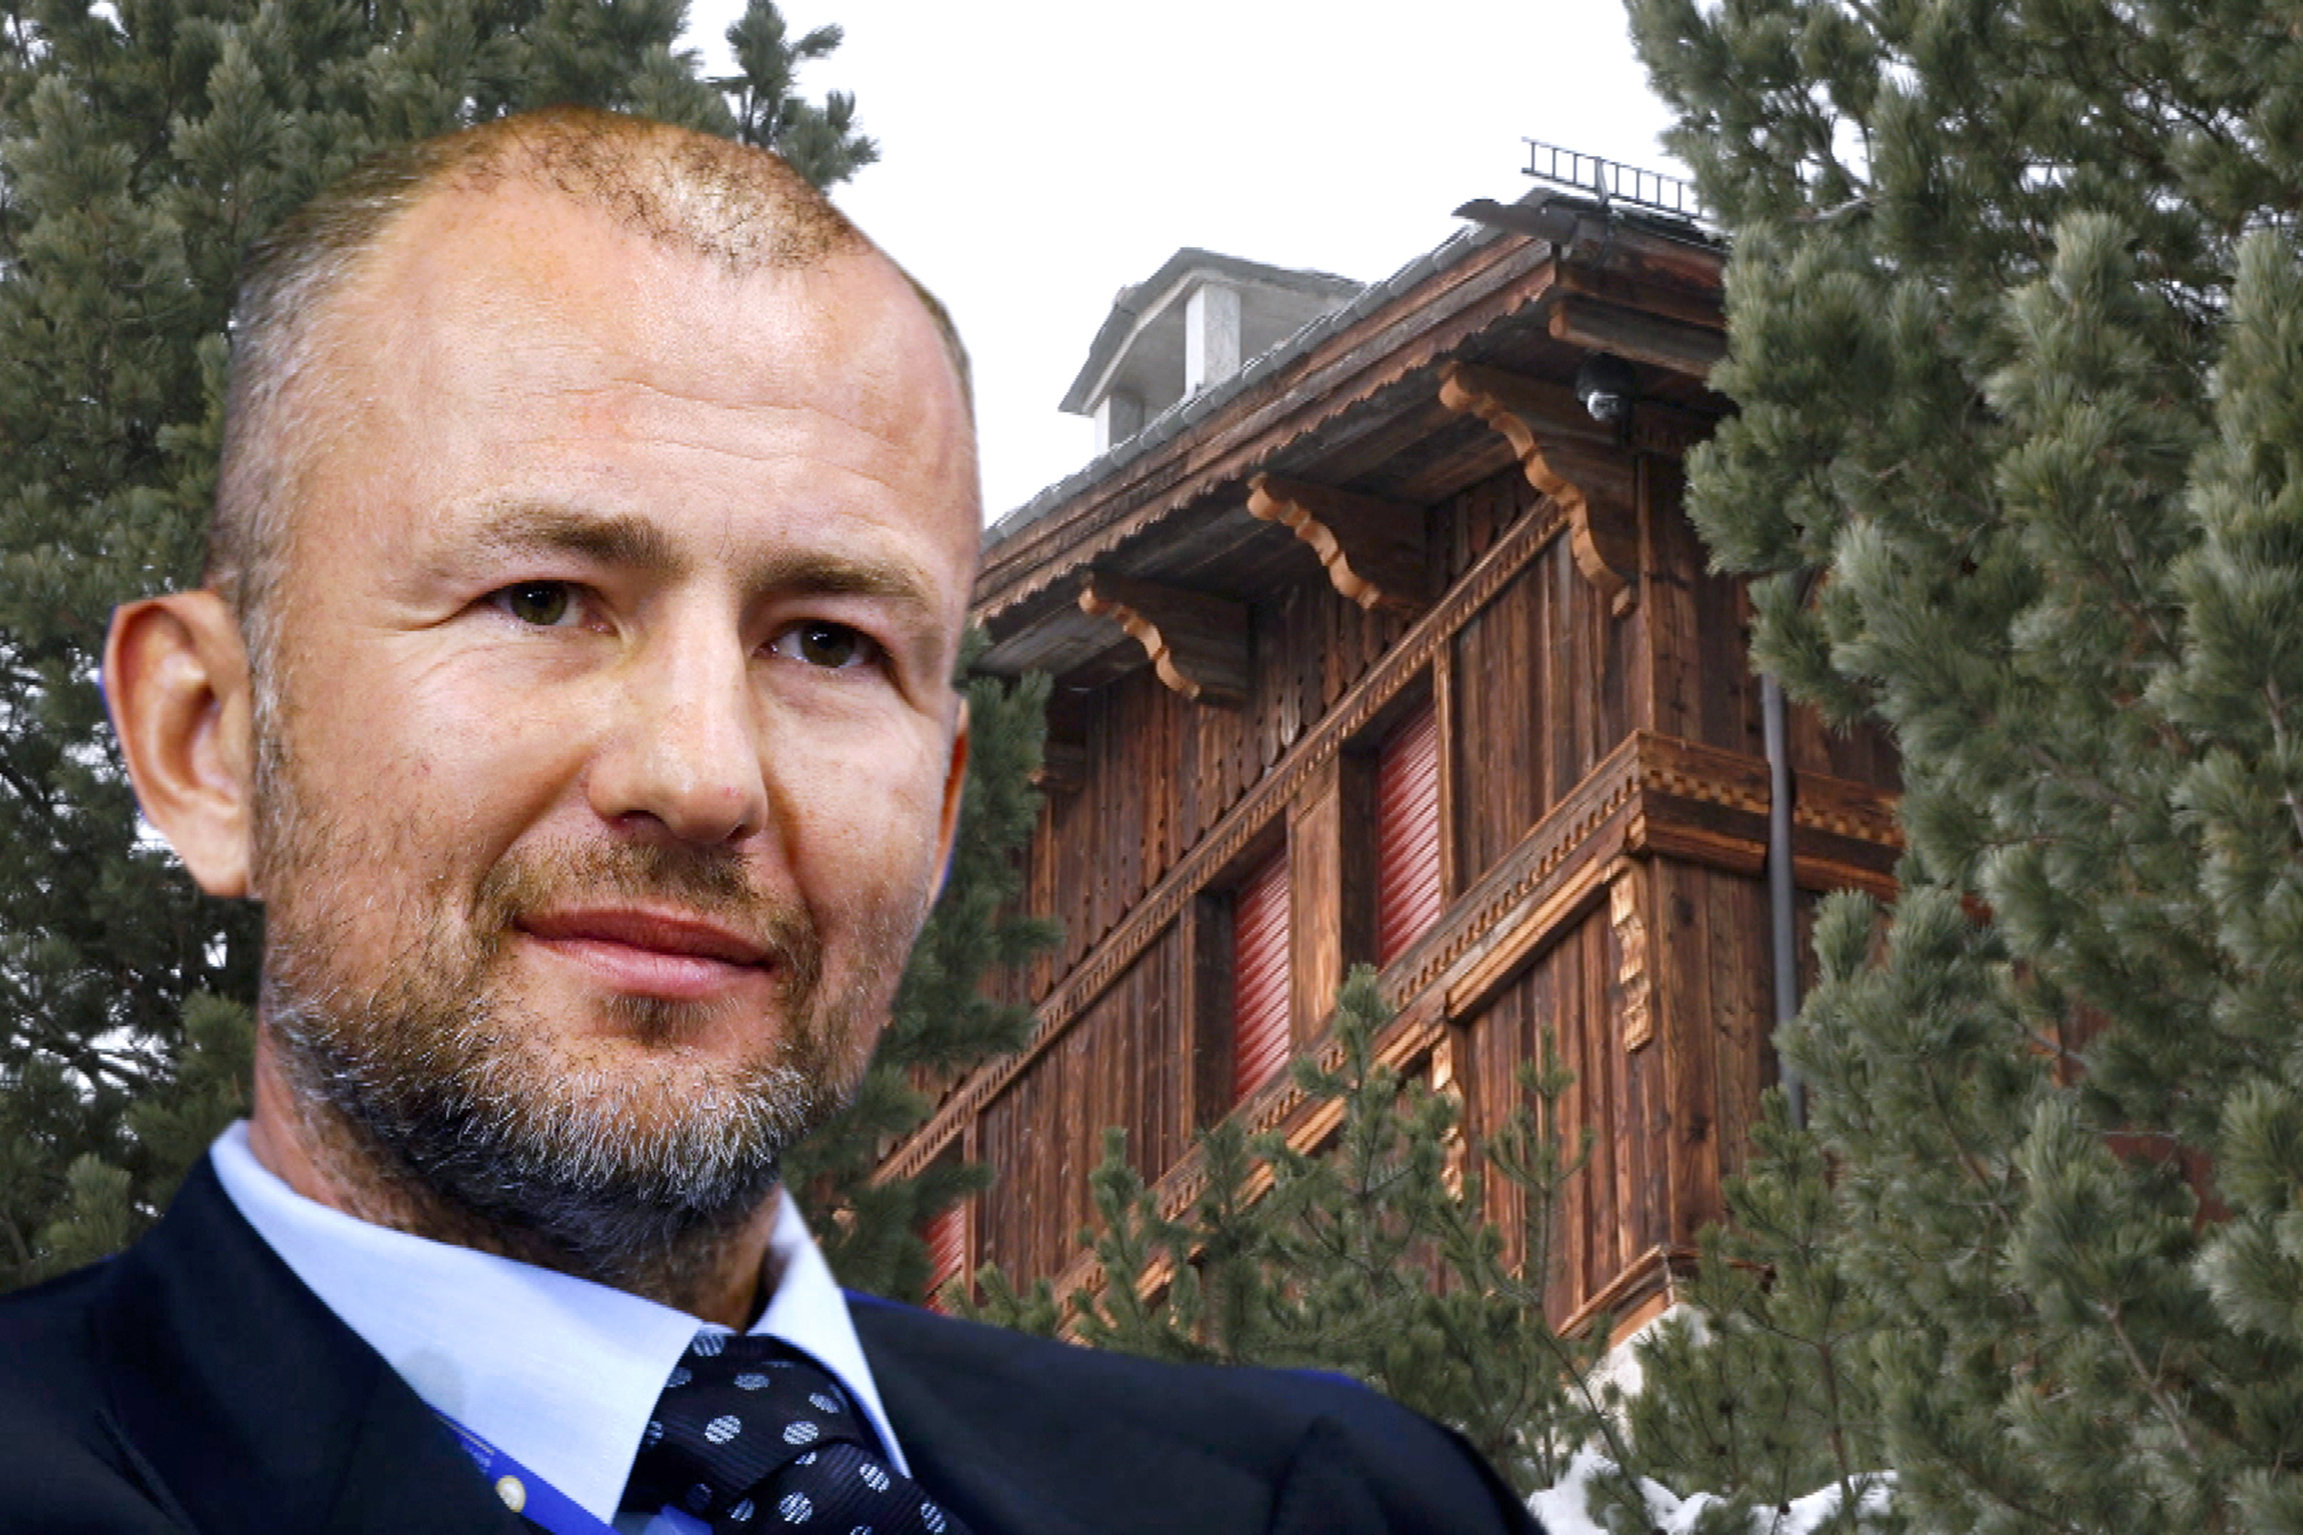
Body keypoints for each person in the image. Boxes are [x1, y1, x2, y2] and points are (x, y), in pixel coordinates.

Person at [0, 107, 1539, 1534]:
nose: (702, 776)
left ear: (943, 815)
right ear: (210, 740)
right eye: (543, 600)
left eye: (827, 643)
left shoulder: (1344, 1509)